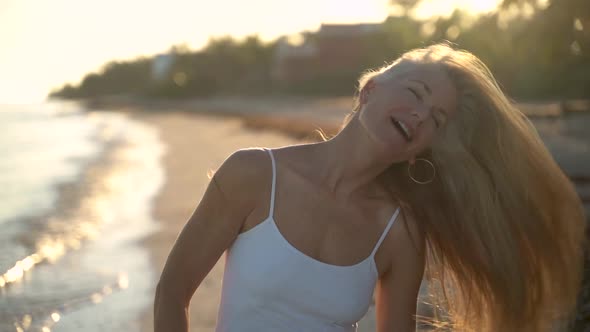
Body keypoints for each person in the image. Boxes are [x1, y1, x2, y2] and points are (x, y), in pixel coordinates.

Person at [153, 43, 587, 332]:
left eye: (436, 119)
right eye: (416, 93)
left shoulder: (400, 232)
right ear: (369, 91)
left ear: (422, 151)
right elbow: (173, 294)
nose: (420, 115)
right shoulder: (251, 175)